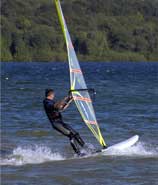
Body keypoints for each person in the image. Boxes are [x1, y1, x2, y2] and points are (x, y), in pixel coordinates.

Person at [43, 89, 85, 156]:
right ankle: (78, 153)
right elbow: (56, 106)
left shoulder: (52, 101)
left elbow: (61, 108)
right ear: (52, 94)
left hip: (61, 122)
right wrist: (65, 98)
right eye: (54, 94)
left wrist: (69, 100)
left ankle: (86, 149)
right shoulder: (46, 102)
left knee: (76, 134)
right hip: (56, 124)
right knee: (71, 135)